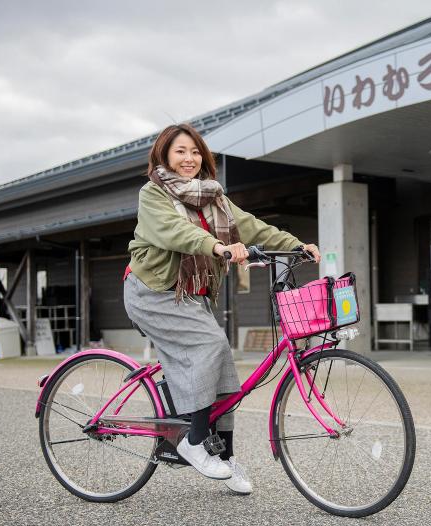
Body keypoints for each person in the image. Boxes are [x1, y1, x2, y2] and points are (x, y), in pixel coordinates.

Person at [123, 124, 320, 494]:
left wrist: (296, 244)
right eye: (180, 151)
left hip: (190, 296)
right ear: (164, 156)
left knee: (224, 368)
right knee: (210, 347)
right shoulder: (153, 195)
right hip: (151, 292)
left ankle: (224, 457)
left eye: (195, 152)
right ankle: (193, 442)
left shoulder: (215, 198)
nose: (189, 159)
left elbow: (252, 227)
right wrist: (218, 247)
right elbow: (174, 233)